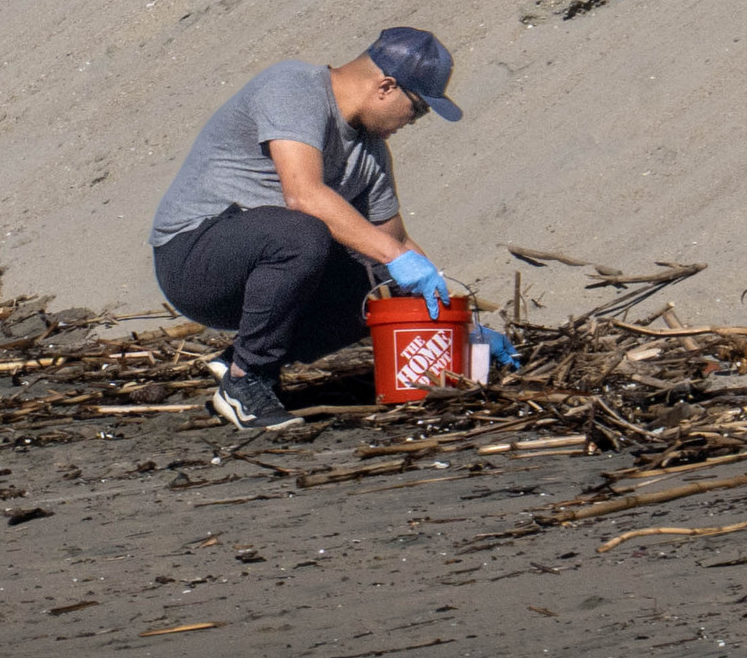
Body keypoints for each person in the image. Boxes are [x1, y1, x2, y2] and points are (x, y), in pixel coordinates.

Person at [150, 27, 507, 430]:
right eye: (418, 108)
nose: (414, 121)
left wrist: (461, 329)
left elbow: (394, 242)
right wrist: (395, 257)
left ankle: (240, 360)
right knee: (304, 233)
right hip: (193, 259)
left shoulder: (370, 154)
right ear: (386, 87)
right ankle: (245, 383)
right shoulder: (294, 87)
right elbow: (303, 194)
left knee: (372, 287)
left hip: (270, 272)